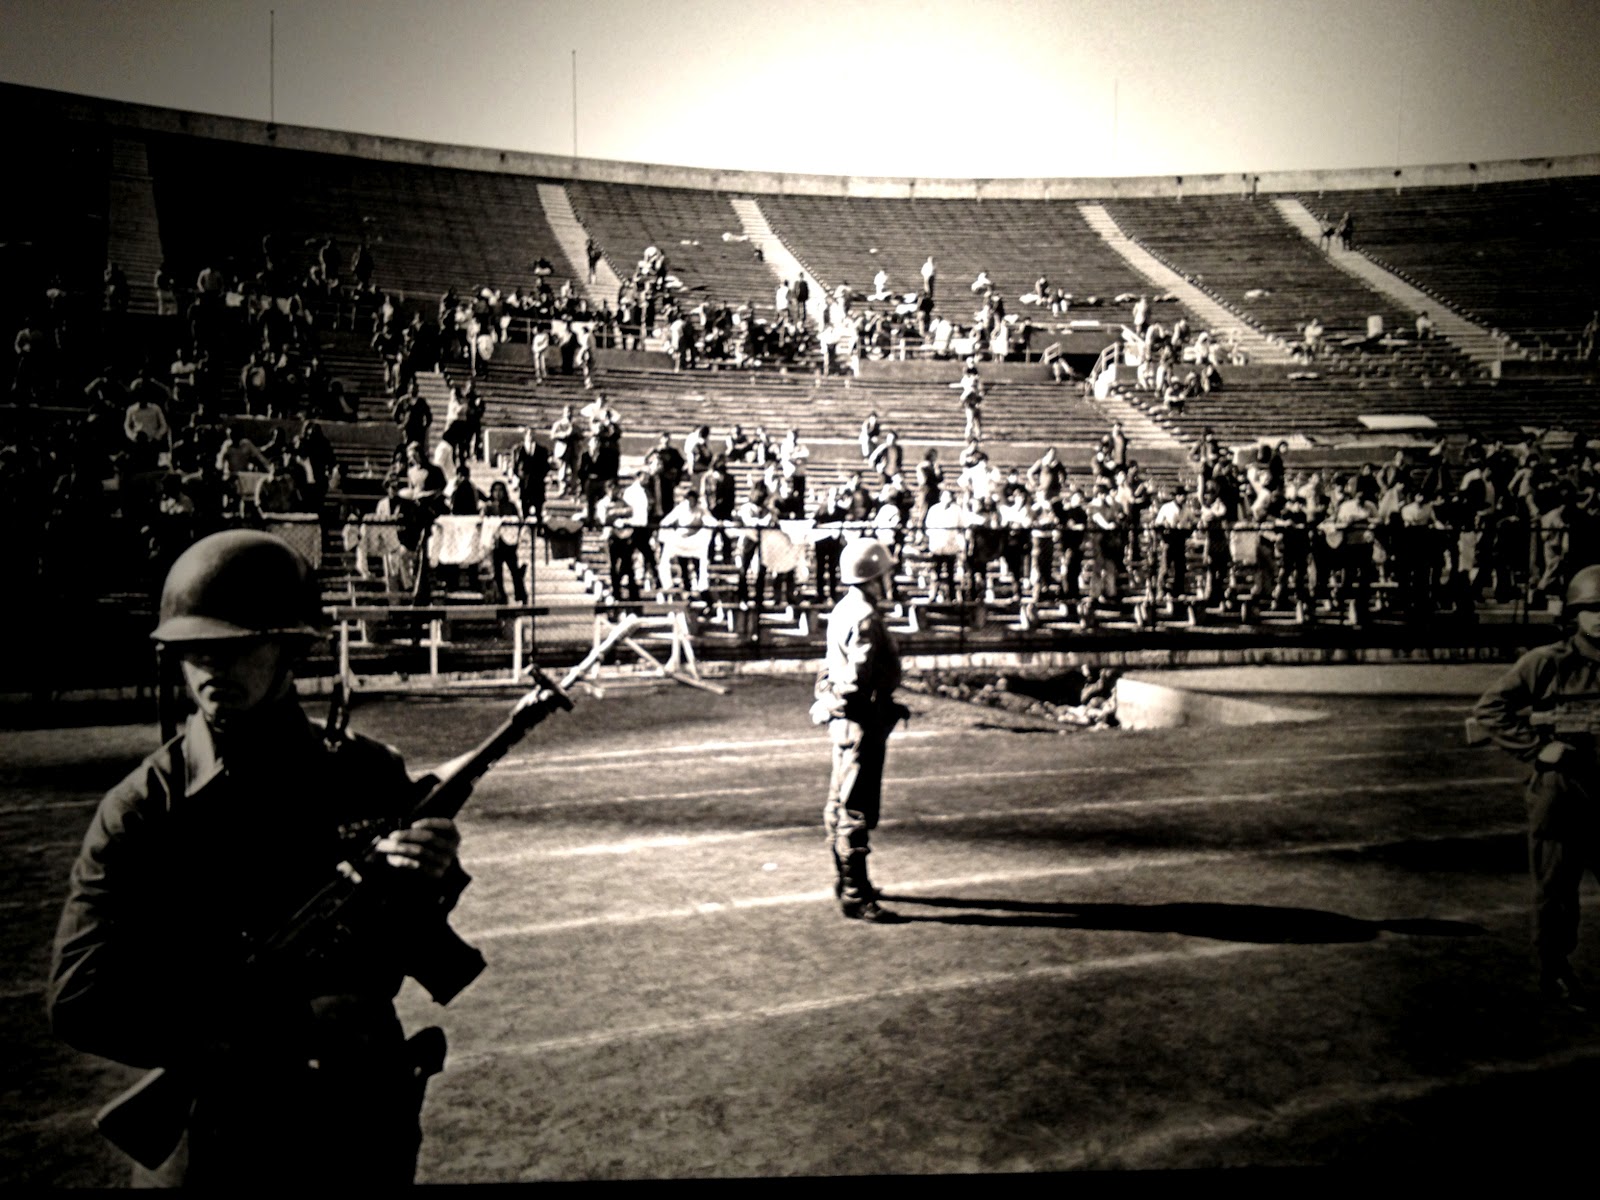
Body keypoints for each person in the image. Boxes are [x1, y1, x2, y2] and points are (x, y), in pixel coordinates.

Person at [48, 531, 467, 1186]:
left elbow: (409, 934)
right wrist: (250, 1036)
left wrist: (432, 879)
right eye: (194, 650)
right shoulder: (143, 808)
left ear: (291, 647)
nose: (211, 666)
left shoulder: (367, 772)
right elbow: (80, 997)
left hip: (360, 1121)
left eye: (237, 646)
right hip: (223, 1133)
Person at [1473, 564, 1600, 1009]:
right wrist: (1535, 749)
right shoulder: (1547, 662)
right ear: (1574, 614)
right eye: (1592, 609)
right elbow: (1490, 710)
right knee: (1557, 892)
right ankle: (1555, 971)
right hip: (1561, 792)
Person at [809, 538, 909, 923]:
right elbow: (856, 677)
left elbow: (830, 668)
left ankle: (849, 882)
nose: (889, 578)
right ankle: (854, 892)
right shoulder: (866, 615)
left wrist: (827, 698)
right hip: (860, 719)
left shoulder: (843, 609)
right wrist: (840, 701)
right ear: (874, 575)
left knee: (839, 802)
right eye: (885, 572)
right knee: (856, 806)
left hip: (846, 721)